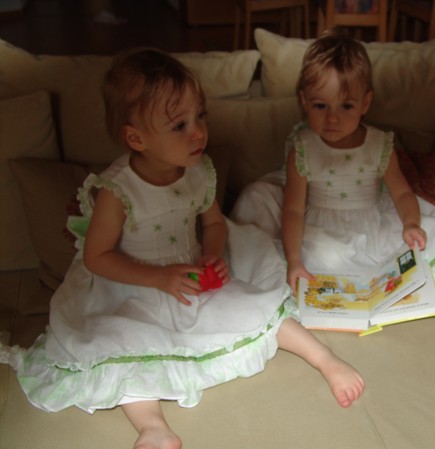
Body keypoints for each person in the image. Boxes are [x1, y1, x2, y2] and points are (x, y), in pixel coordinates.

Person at [1, 47, 364, 449]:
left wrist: (212, 254)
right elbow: (97, 257)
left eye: (200, 116)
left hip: (188, 278)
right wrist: (158, 277)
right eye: (179, 125)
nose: (198, 132)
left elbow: (213, 225)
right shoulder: (118, 189)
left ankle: (325, 359)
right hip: (130, 289)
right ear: (136, 138)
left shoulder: (199, 172)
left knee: (256, 306)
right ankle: (152, 425)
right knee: (122, 345)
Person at [231, 29, 435, 317]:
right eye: (320, 105)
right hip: (324, 231)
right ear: (304, 101)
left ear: (365, 103)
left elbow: (402, 193)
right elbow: (294, 210)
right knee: (325, 256)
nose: (332, 118)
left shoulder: (379, 144)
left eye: (346, 106)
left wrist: (411, 224)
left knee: (431, 230)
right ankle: (345, 296)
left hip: (373, 224)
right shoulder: (302, 148)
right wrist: (295, 260)